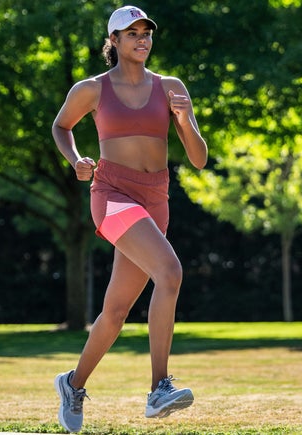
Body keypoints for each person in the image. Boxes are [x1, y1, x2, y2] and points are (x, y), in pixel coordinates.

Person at [51, 5, 207, 433]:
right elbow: (61, 126)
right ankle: (159, 387)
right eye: (131, 33)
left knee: (116, 312)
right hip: (112, 194)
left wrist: (183, 119)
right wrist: (76, 159)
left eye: (146, 33)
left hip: (156, 197)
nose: (142, 39)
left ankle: (72, 383)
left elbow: (198, 159)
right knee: (170, 272)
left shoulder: (171, 87)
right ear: (114, 41)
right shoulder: (92, 90)